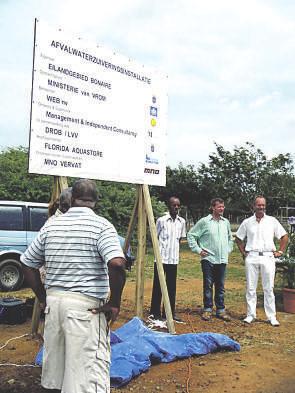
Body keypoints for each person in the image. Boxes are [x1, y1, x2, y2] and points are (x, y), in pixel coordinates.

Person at [21, 179, 126, 393]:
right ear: (95, 200)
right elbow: (116, 263)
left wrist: (42, 298)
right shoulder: (101, 225)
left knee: (55, 374)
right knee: (88, 374)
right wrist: (115, 303)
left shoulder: (52, 225)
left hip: (54, 305)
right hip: (85, 309)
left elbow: (27, 263)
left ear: (72, 199)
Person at [236, 195, 288, 326]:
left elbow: (284, 236)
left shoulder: (272, 221)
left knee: (268, 288)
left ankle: (271, 316)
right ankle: (250, 315)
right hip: (252, 256)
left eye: (263, 205)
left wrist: (280, 251)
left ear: (265, 206)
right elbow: (238, 238)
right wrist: (243, 253)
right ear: (254, 206)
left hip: (268, 257)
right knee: (251, 288)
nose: (261, 207)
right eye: (259, 205)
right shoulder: (247, 222)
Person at [187, 198, 233, 321]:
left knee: (220, 286)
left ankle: (220, 310)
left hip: (222, 259)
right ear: (213, 207)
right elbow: (191, 235)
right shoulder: (204, 222)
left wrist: (228, 249)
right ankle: (207, 309)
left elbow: (230, 237)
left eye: (223, 207)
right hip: (208, 258)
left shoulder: (226, 222)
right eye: (219, 207)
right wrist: (198, 250)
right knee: (208, 285)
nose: (222, 209)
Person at [150, 196, 186, 322]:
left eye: (178, 205)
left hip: (173, 259)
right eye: (173, 205)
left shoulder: (182, 222)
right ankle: (155, 312)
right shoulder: (161, 221)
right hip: (161, 259)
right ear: (169, 206)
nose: (176, 207)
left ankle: (169, 313)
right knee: (158, 286)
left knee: (171, 287)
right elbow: (155, 237)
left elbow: (180, 239)